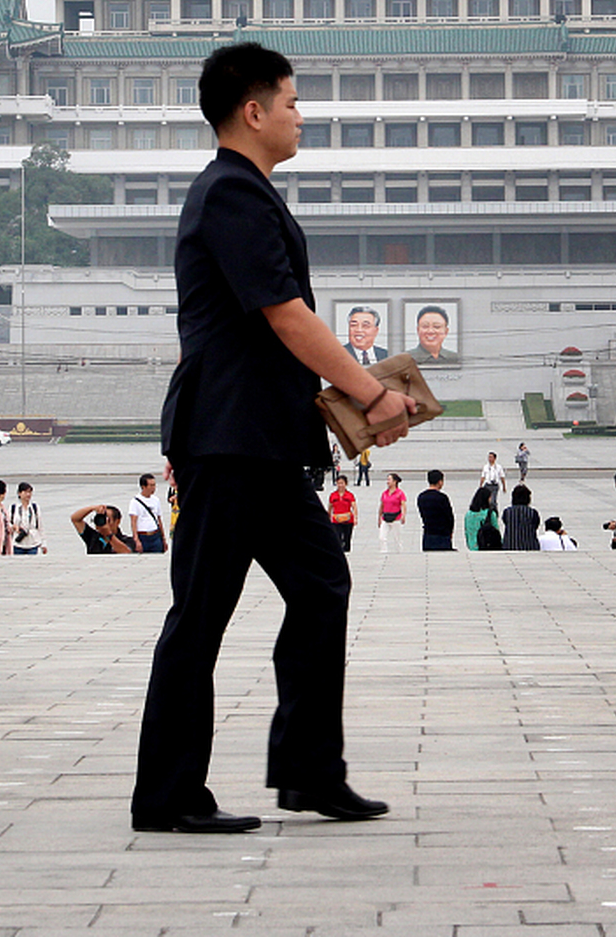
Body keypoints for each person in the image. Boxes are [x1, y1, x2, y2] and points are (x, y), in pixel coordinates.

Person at [132, 42, 409, 836]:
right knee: (201, 615)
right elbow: (284, 315)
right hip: (227, 441)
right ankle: (168, 795)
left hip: (259, 438)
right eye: (290, 102)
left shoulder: (245, 193)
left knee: (321, 589)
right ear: (251, 111)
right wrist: (370, 393)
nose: (299, 115)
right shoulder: (230, 195)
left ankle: (309, 771)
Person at [128, 472, 168, 554]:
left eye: (154, 485)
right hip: (143, 536)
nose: (154, 488)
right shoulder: (135, 502)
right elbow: (133, 522)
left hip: (155, 535)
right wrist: (136, 539)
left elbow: (159, 519)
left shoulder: (156, 500)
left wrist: (163, 538)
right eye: (151, 485)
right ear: (143, 487)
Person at [418, 470, 454, 551]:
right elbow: (449, 516)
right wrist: (450, 531)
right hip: (442, 535)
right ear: (440, 482)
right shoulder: (442, 497)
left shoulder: (421, 497)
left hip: (428, 533)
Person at [463, 482, 501, 551]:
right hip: (486, 546)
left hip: (472, 547)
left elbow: (467, 532)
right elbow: (496, 531)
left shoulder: (468, 514)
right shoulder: (490, 513)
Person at [501, 484, 540, 550]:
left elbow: (505, 522)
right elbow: (535, 526)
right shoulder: (533, 512)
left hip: (510, 546)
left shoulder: (507, 512)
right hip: (529, 547)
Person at [377, 472, 408, 553]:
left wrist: (403, 515)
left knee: (397, 539)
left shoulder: (400, 493)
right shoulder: (384, 493)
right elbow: (382, 505)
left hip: (396, 518)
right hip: (385, 517)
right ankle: (383, 552)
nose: (388, 482)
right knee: (382, 537)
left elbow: (403, 505)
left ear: (395, 482)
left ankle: (399, 553)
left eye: (389, 480)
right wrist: (379, 517)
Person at [12, 482, 44, 555]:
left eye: (30, 492)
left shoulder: (34, 507)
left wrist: (43, 543)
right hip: (18, 542)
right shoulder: (14, 508)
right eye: (25, 492)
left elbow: (40, 526)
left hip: (32, 542)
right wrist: (15, 527)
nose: (28, 494)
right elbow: (9, 523)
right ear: (19, 493)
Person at [327, 475, 358, 552]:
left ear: (346, 484)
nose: (340, 485)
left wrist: (355, 517)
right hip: (336, 519)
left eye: (342, 483)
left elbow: (354, 506)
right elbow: (330, 507)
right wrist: (328, 516)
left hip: (348, 519)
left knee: (347, 538)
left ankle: (346, 551)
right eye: (338, 483)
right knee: (337, 537)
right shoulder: (333, 495)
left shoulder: (349, 495)